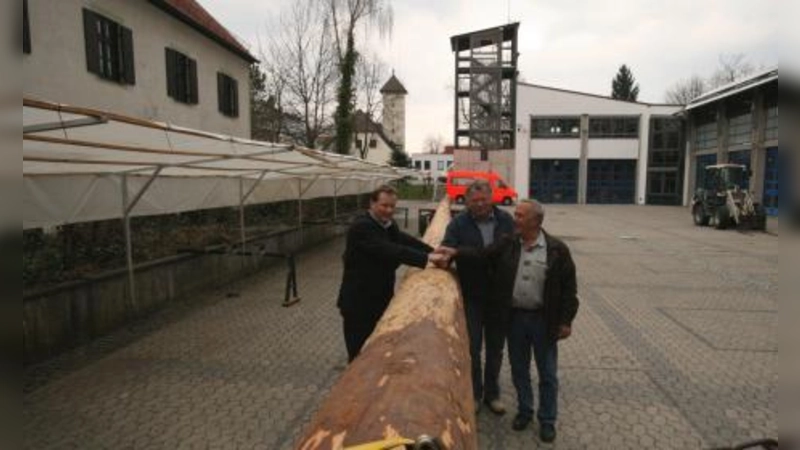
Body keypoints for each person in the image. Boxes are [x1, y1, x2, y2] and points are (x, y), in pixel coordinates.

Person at [496, 199, 579, 443]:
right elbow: (483, 256)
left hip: (544, 321)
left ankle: (547, 420)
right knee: (519, 370)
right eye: (516, 214)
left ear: (536, 221)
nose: (515, 219)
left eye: (520, 215)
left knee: (548, 374)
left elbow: (569, 289)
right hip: (515, 320)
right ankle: (525, 411)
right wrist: (455, 254)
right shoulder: (509, 243)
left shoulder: (557, 249)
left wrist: (566, 321)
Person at [337, 185, 446, 362]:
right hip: (359, 303)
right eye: (384, 205)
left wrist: (433, 250)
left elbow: (404, 240)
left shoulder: (387, 224)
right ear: (372, 203)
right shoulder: (362, 227)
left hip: (380, 297)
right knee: (359, 355)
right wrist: (428, 258)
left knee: (379, 348)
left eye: (392, 206)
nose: (388, 210)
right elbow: (392, 250)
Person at [440, 180, 515, 415]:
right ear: (467, 201)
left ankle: (493, 394)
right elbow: (446, 247)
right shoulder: (459, 223)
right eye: (475, 201)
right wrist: (443, 260)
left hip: (500, 296)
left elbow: (509, 249)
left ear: (491, 197)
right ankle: (474, 394)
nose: (480, 204)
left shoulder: (506, 220)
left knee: (495, 349)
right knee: (472, 348)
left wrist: (461, 253)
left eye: (484, 199)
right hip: (472, 296)